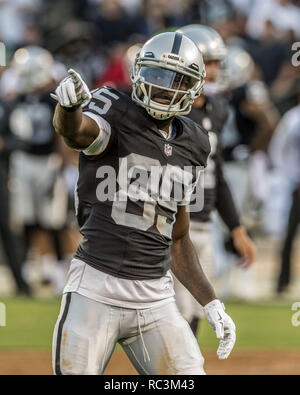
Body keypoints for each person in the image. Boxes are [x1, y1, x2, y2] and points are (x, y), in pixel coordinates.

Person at [51, 31, 236, 375]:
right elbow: (76, 131)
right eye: (155, 73)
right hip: (95, 286)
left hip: (156, 297)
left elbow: (178, 238)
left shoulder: (195, 142)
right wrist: (68, 108)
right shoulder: (114, 109)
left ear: (194, 87)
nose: (163, 86)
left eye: (176, 79)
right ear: (137, 72)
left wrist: (210, 302)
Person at [174, 25, 256, 335]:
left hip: (205, 222)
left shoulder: (218, 110)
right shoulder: (169, 112)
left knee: (195, 311)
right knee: (175, 314)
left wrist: (237, 228)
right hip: (171, 224)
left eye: (216, 64)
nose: (214, 71)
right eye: (208, 63)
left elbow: (216, 173)